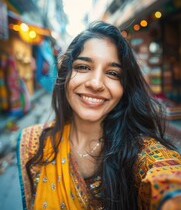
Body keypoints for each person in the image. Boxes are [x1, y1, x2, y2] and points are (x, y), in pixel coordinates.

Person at [17, 21, 181, 210]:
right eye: (83, 67)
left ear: (124, 88)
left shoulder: (140, 151)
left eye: (112, 73)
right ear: (66, 74)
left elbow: (166, 177)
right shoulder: (34, 143)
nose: (96, 84)